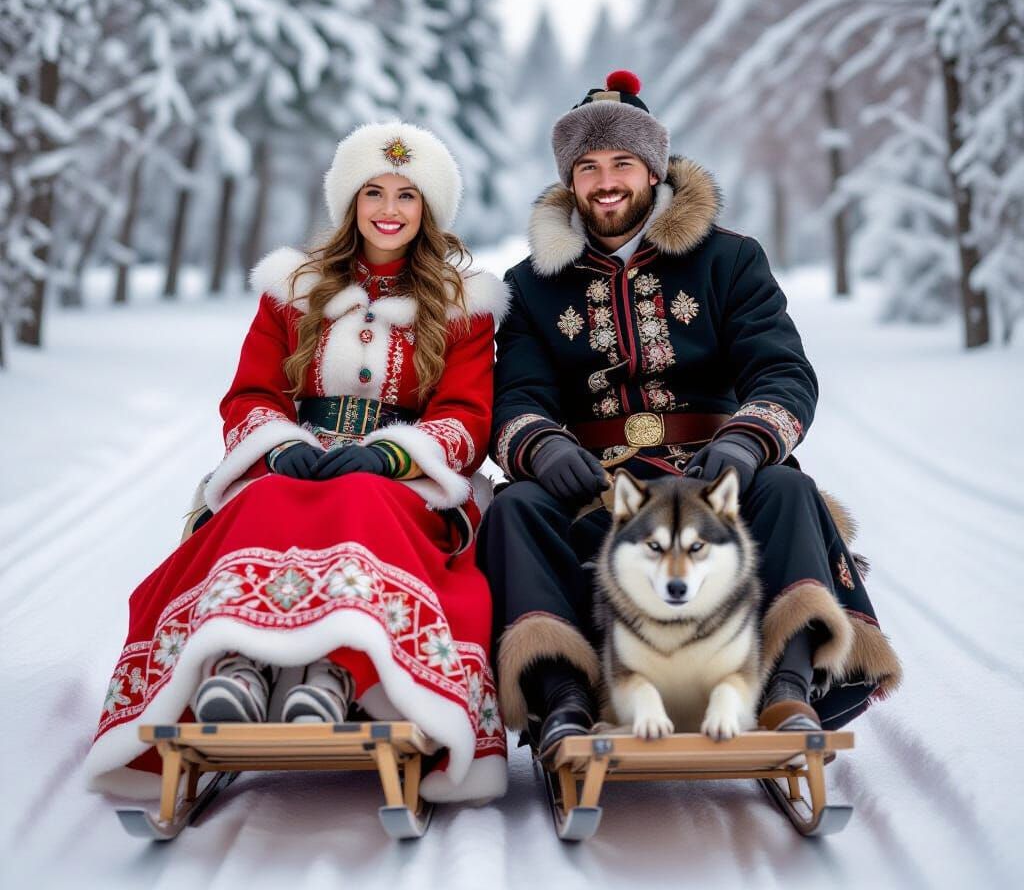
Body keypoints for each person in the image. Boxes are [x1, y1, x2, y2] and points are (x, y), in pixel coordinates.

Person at [478, 70, 902, 757]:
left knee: (789, 489)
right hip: (597, 485)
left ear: (652, 169)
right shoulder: (529, 285)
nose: (605, 181)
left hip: (714, 472)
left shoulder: (730, 260)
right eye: (587, 167)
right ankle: (564, 697)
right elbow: (517, 395)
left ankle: (786, 687)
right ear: (570, 182)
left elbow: (783, 370)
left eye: (622, 163)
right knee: (516, 509)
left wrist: (745, 442)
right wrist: (542, 447)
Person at [84, 122, 509, 804]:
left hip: (403, 479)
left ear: (429, 208)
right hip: (294, 458)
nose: (389, 209)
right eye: (373, 191)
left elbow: (467, 414)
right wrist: (279, 446)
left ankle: (335, 678)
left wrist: (392, 455)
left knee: (364, 504)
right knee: (262, 503)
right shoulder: (293, 289)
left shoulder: (464, 304)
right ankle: (238, 669)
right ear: (349, 202)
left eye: (407, 194)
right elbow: (251, 392)